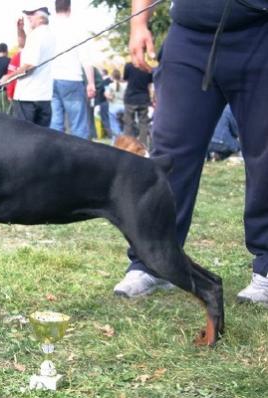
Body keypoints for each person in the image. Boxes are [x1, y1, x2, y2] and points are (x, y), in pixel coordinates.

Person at [114, 0, 268, 305]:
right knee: (168, 154)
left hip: (259, 31)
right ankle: (153, 262)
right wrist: (138, 24)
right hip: (189, 37)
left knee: (265, 155)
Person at [49, 0, 96, 140]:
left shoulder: (48, 28)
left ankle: (54, 158)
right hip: (71, 78)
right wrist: (91, 83)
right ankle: (82, 159)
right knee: (78, 126)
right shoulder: (77, 28)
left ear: (55, 8)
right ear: (70, 8)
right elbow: (86, 59)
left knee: (55, 125)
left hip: (50, 80)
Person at [6, 6, 56, 127]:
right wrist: (20, 30)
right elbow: (24, 45)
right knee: (42, 139)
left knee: (23, 138)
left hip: (27, 97)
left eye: (31, 14)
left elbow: (30, 65)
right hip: (45, 97)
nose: (28, 17)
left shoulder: (36, 35)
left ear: (41, 18)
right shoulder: (50, 35)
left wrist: (8, 77)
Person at [122, 61, 152, 146]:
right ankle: (143, 146)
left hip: (130, 98)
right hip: (143, 98)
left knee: (128, 123)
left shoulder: (128, 65)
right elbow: (150, 82)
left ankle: (128, 146)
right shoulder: (148, 67)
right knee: (143, 123)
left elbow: (125, 78)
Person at [104, 69, 126, 139]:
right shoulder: (125, 85)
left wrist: (107, 96)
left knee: (114, 126)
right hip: (124, 107)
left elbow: (108, 96)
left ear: (112, 77)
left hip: (114, 108)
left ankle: (115, 141)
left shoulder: (110, 85)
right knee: (125, 125)